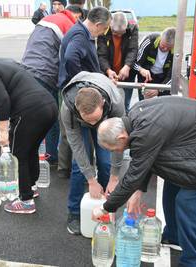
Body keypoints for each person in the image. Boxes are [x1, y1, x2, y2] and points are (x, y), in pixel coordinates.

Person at [93, 96, 196, 267]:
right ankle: (173, 235)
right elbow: (145, 160)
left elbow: (134, 173)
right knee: (171, 187)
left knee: (189, 202)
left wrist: (105, 208)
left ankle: (193, 261)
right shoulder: (136, 116)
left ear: (122, 137)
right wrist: (137, 192)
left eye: (114, 149)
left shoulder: (145, 131)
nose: (117, 152)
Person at [0, 47, 58, 214]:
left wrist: (2, 131)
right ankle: (31, 186)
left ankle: (26, 201)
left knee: (18, 154)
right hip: (49, 106)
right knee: (30, 149)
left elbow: (3, 99)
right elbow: (10, 88)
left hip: (30, 111)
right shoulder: (5, 63)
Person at [61, 71, 124, 235]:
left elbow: (118, 142)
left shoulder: (115, 104)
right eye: (89, 120)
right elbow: (76, 145)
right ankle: (74, 213)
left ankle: (106, 208)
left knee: (105, 163)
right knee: (78, 166)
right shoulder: (68, 109)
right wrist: (91, 180)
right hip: (78, 123)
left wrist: (114, 177)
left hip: (106, 119)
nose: (93, 124)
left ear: (102, 104)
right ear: (77, 109)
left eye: (95, 120)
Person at [22, 5, 82, 169]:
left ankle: (25, 154)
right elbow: (71, 57)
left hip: (26, 69)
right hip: (45, 74)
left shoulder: (46, 19)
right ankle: (52, 155)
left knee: (31, 115)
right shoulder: (70, 25)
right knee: (51, 115)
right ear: (77, 16)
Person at [58, 6, 111, 180]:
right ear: (97, 24)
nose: (103, 33)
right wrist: (82, 86)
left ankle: (68, 173)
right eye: (104, 29)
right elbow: (71, 58)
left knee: (75, 140)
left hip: (80, 90)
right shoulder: (80, 36)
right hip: (79, 95)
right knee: (80, 145)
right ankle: (78, 182)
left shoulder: (81, 32)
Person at [97, 11, 138, 113]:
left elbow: (133, 50)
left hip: (127, 74)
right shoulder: (103, 31)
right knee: (108, 103)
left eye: (122, 33)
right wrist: (108, 70)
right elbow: (101, 55)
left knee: (125, 104)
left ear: (126, 27)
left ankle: (125, 125)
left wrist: (127, 66)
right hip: (109, 74)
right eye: (115, 33)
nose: (119, 36)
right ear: (110, 26)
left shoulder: (132, 29)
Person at [132, 27, 175, 100]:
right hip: (146, 78)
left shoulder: (177, 52)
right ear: (160, 38)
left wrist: (159, 89)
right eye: (163, 46)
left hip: (164, 79)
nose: (165, 49)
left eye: (168, 48)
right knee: (144, 104)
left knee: (163, 104)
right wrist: (141, 69)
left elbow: (172, 76)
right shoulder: (149, 41)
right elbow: (134, 62)